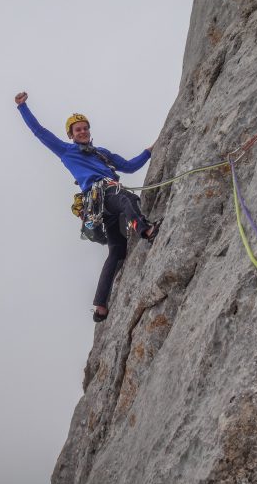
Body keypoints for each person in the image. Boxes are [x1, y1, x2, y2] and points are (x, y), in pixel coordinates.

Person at [14, 91, 161, 323]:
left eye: (85, 128)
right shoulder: (66, 151)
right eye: (77, 129)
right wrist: (23, 107)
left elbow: (130, 167)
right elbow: (40, 132)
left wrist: (150, 150)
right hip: (101, 194)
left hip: (102, 206)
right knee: (127, 199)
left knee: (117, 251)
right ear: (71, 135)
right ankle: (146, 230)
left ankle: (100, 305)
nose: (82, 132)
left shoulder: (102, 154)